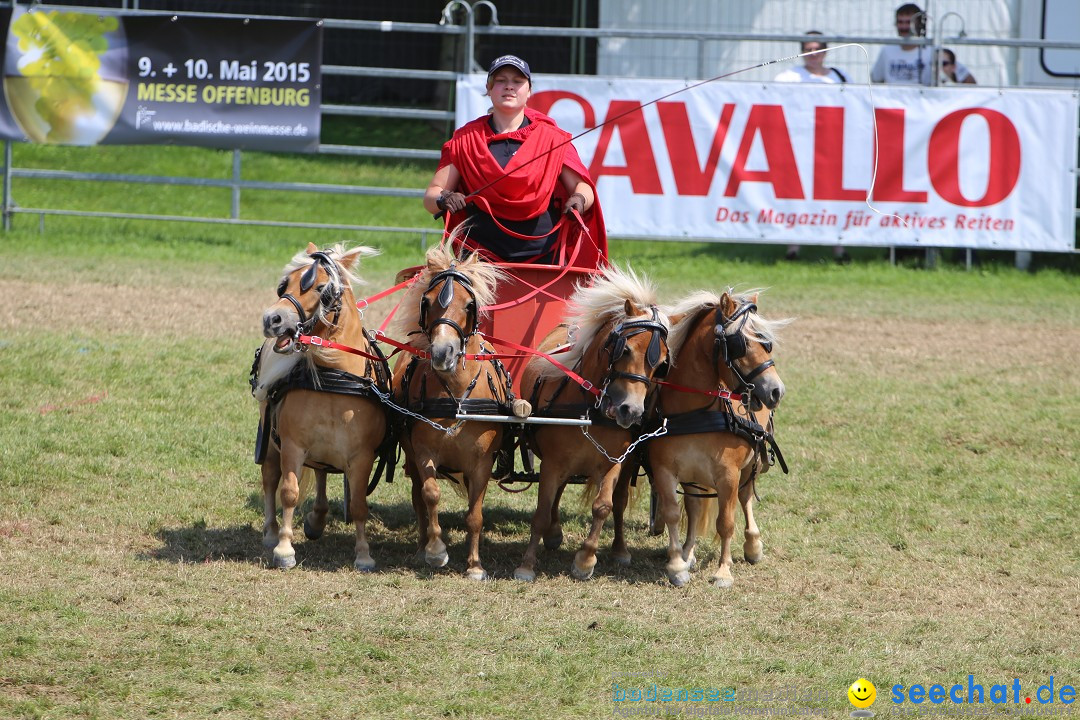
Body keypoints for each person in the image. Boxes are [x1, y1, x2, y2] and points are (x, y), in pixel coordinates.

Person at [423, 54, 606, 266]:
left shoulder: (552, 138)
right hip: (478, 261)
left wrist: (579, 201)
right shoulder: (465, 140)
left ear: (529, 91)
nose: (509, 87)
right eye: (500, 81)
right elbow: (431, 196)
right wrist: (443, 198)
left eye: (517, 82)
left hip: (544, 256)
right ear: (489, 89)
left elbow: (583, 187)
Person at [775, 32, 850, 264]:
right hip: (798, 144)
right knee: (796, 195)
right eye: (807, 49)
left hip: (831, 144)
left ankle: (839, 248)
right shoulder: (789, 76)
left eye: (817, 49)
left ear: (825, 52)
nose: (812, 54)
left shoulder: (840, 76)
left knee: (832, 195)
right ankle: (793, 248)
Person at [871, 3, 932, 86]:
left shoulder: (931, 52)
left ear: (919, 24)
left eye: (908, 22)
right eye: (900, 22)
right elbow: (876, 79)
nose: (904, 27)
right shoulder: (887, 50)